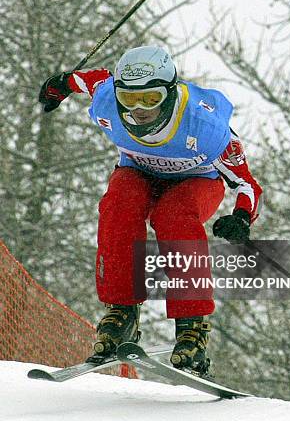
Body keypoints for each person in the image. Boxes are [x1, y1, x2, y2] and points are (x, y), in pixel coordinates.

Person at [39, 45, 263, 376]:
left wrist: (241, 217)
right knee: (118, 204)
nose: (139, 110)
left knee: (173, 216)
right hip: (139, 173)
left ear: (169, 93)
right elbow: (88, 80)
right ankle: (122, 313)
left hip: (197, 181)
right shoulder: (107, 99)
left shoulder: (206, 126)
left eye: (151, 98)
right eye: (130, 100)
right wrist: (59, 85)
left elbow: (247, 184)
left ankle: (192, 327)